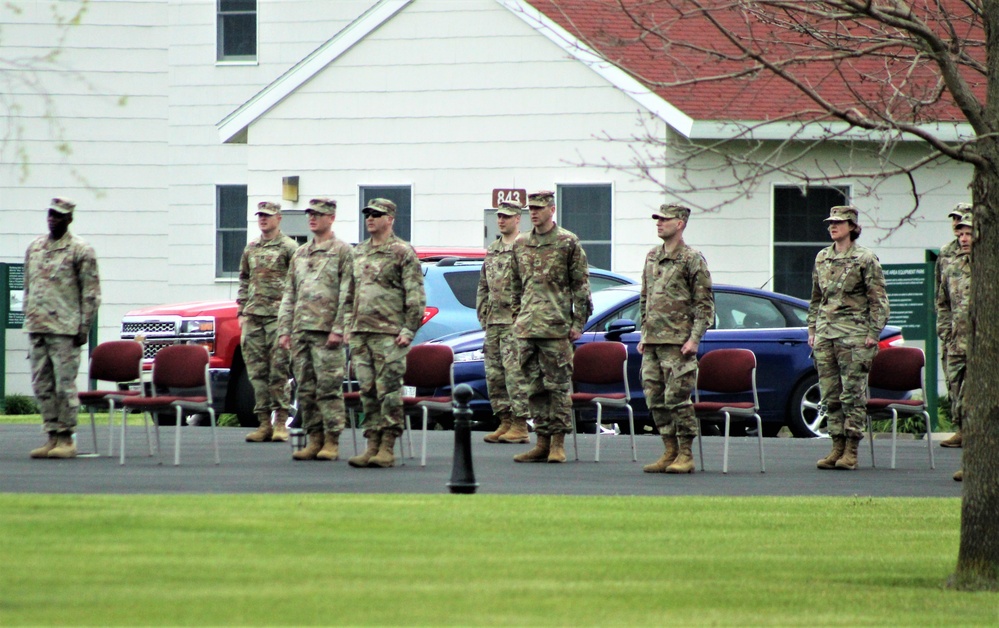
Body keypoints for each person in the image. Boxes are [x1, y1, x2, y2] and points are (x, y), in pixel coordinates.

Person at [509, 190, 592, 464]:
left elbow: (580, 285)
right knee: (533, 388)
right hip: (528, 328)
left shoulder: (567, 242)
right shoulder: (521, 243)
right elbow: (515, 286)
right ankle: (541, 441)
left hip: (556, 328)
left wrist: (578, 323)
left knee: (557, 387)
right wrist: (516, 319)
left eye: (538, 208)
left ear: (552, 210)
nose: (533, 212)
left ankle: (558, 443)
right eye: (530, 208)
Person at [346, 198, 426, 469]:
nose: (370, 218)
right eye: (367, 214)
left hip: (389, 335)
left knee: (388, 391)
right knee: (367, 391)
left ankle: (388, 446)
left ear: (390, 219)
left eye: (376, 214)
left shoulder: (402, 251)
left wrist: (408, 330)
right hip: (361, 333)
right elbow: (349, 294)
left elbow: (415, 295)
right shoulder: (358, 252)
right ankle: (372, 443)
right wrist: (348, 326)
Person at [808, 205, 889, 471]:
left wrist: (872, 334)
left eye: (839, 223)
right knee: (830, 395)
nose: (833, 226)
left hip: (854, 337)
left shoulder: (865, 259)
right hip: (826, 335)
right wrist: (812, 330)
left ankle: (851, 449)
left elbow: (879, 301)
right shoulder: (822, 257)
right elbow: (816, 299)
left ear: (852, 227)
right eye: (830, 222)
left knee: (852, 395)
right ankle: (836, 445)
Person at [638, 204, 714, 474]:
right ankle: (668, 450)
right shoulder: (652, 256)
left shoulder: (691, 259)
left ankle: (685, 453)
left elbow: (704, 304)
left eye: (665, 219)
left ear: (680, 223)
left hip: (678, 343)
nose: (659, 223)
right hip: (654, 342)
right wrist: (644, 332)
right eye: (657, 218)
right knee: (655, 399)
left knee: (677, 399)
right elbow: (645, 297)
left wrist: (695, 339)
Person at [24, 197, 102, 459]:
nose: (52, 219)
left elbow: (91, 293)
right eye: (50, 214)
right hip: (37, 326)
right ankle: (51, 435)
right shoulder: (35, 248)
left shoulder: (80, 250)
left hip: (64, 329)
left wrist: (84, 328)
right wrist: (28, 316)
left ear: (69, 219)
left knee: (63, 385)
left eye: (58, 215)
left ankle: (66, 437)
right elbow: (28, 287)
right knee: (41, 384)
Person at [277, 198, 353, 461]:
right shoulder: (300, 253)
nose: (312, 218)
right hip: (301, 331)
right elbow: (290, 293)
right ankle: (314, 438)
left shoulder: (342, 252)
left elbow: (348, 294)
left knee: (328, 388)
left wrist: (339, 329)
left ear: (331, 217)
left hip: (326, 332)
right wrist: (284, 330)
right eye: (310, 214)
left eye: (318, 214)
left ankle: (332, 440)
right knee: (305, 389)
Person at [238, 201, 299, 443]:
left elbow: (297, 283)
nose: (263, 219)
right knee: (257, 373)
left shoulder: (289, 248)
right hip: (253, 318)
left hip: (278, 319)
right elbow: (244, 279)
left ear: (278, 219)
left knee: (279, 372)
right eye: (260, 216)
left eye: (268, 216)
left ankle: (281, 422)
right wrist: (242, 312)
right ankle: (264, 423)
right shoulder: (251, 248)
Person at [477, 199, 531, 444]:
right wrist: (483, 315)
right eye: (499, 216)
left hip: (514, 322)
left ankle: (520, 424)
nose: (501, 220)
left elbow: (530, 286)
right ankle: (505, 420)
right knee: (495, 375)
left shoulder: (525, 246)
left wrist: (524, 319)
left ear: (518, 219)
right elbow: (483, 285)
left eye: (507, 217)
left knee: (514, 374)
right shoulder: (493, 248)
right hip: (494, 322)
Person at [936, 211, 972, 481]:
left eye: (968, 233)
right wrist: (945, 332)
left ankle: (973, 465)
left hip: (983, 347)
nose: (963, 238)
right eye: (960, 233)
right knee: (958, 400)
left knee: (976, 404)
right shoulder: (952, 264)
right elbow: (943, 302)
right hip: (956, 343)